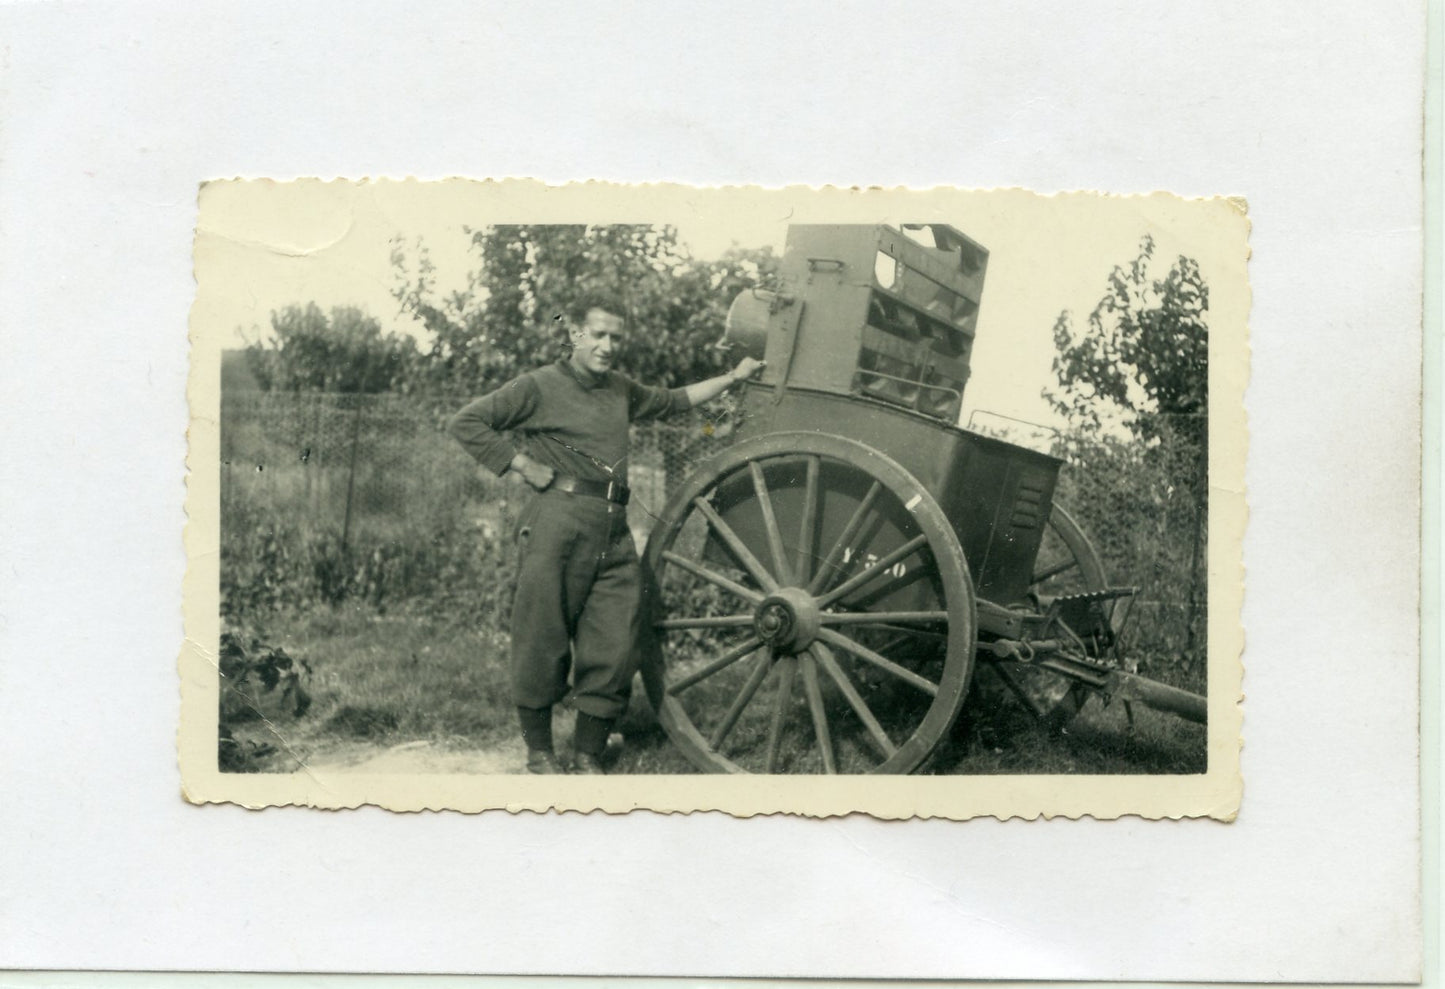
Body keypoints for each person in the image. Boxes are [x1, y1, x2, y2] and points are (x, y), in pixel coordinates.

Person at [449, 295, 764, 774]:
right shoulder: (539, 385)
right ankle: (539, 753)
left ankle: (587, 753)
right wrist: (520, 463)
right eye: (597, 335)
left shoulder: (620, 389)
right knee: (542, 636)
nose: (607, 346)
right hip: (558, 520)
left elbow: (674, 400)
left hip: (614, 530)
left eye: (616, 337)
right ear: (575, 334)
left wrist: (733, 379)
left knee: (616, 640)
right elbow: (467, 421)